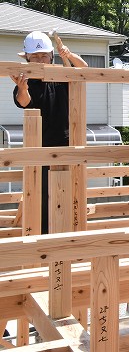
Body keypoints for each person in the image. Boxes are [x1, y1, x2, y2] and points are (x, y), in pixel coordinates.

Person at [10, 31, 89, 234]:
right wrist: (22, 88)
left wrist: (67, 55)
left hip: (66, 145)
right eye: (35, 56)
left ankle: (68, 239)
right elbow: (24, 101)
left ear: (51, 56)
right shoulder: (26, 82)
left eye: (43, 55)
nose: (39, 60)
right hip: (40, 149)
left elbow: (84, 70)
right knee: (42, 198)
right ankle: (45, 240)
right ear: (27, 58)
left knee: (71, 196)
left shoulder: (61, 75)